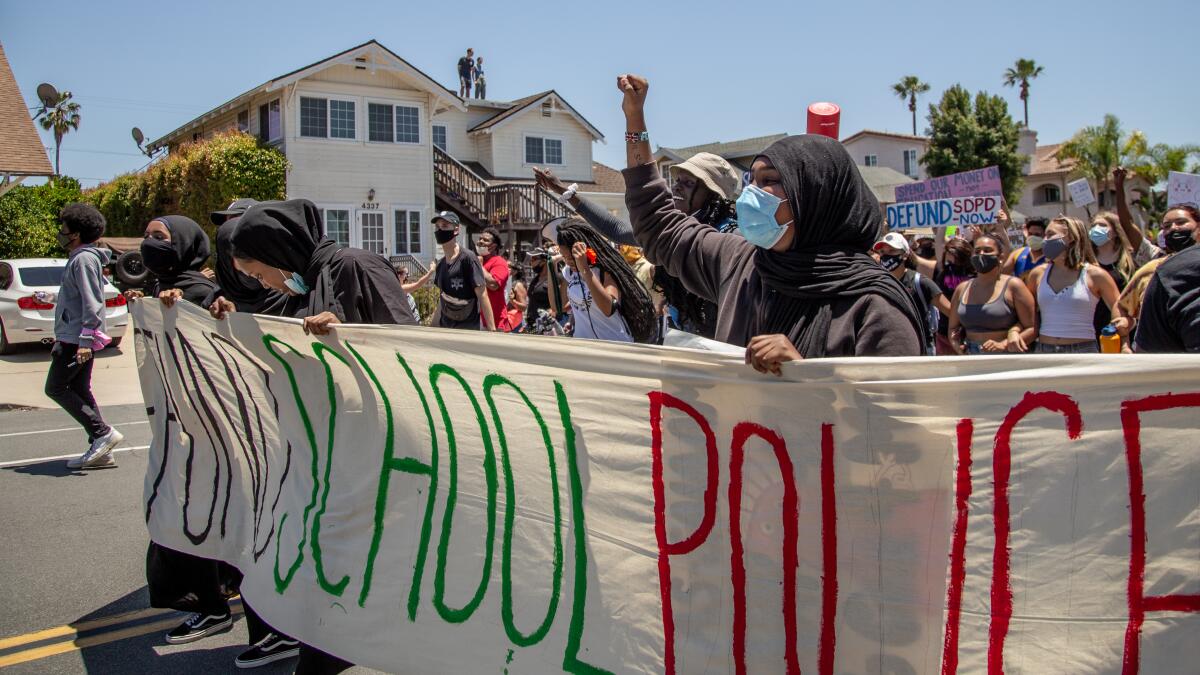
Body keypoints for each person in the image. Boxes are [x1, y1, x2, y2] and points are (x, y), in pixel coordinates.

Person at [618, 74, 924, 373]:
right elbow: (658, 224)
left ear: (813, 198)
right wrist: (635, 122)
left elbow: (892, 416)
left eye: (770, 182)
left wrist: (805, 375)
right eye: (753, 181)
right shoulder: (740, 262)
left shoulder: (874, 308)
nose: (752, 193)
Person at [231, 199, 418, 334]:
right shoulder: (305, 287)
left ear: (276, 256)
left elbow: (408, 342)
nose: (264, 285)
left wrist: (344, 335)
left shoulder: (358, 266)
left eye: (259, 276)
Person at [47, 203, 123, 470]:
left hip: (77, 339)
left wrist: (85, 341)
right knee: (79, 389)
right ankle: (101, 448)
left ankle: (102, 433)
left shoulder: (83, 259)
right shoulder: (82, 258)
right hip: (73, 336)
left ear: (75, 233)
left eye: (64, 228)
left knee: (55, 387)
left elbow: (93, 302)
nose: (61, 232)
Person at [545, 216, 655, 343]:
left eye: (571, 257)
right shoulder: (569, 272)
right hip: (583, 345)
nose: (568, 262)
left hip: (613, 343)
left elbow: (608, 308)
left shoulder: (605, 270)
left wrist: (584, 268)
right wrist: (551, 266)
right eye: (564, 257)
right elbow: (558, 307)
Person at [1026, 216, 1123, 353]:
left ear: (1071, 237)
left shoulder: (1095, 275)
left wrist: (1119, 329)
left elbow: (1119, 307)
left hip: (1083, 351)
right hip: (1044, 351)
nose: (1045, 240)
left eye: (1050, 234)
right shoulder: (1037, 274)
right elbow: (1027, 313)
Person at [1118, 204, 1199, 343]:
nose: (1174, 228)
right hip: (1166, 356)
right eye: (1167, 226)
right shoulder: (1155, 267)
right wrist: (1124, 343)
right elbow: (1122, 307)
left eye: (1181, 222)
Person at [947, 235, 1037, 354]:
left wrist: (1003, 345)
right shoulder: (962, 289)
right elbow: (953, 328)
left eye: (988, 250)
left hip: (1006, 357)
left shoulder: (1014, 286)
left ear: (1000, 257)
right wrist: (956, 345)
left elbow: (1032, 328)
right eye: (977, 251)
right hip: (970, 356)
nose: (982, 254)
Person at [872, 232, 950, 355]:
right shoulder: (879, 283)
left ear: (905, 254)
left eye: (891, 251)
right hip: (891, 350)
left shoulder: (921, 282)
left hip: (921, 350)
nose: (886, 256)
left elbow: (950, 311)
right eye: (882, 252)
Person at [124, 216, 218, 308]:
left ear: (183, 243)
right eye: (146, 236)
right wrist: (143, 303)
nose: (148, 242)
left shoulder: (205, 291)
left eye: (159, 237)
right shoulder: (160, 285)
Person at [429, 211, 495, 331]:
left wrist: (492, 331)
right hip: (446, 331)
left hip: (467, 331)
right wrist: (432, 328)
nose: (439, 230)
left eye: (444, 226)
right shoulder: (440, 265)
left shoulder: (468, 258)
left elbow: (483, 295)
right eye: (437, 227)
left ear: (456, 230)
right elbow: (442, 300)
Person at [1088, 211, 1136, 338]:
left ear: (1115, 232)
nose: (1096, 229)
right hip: (1091, 329)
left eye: (1103, 225)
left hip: (1123, 327)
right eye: (1093, 226)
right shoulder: (1086, 261)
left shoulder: (1130, 261)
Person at [523, 245, 568, 333]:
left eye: (534, 259)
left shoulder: (558, 278)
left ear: (544, 261)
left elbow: (562, 301)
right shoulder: (535, 280)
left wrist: (553, 311)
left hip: (549, 326)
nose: (530, 262)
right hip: (533, 326)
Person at [476, 226, 511, 331]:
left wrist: (479, 266)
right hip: (477, 320)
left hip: (495, 323)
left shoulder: (499, 262)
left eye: (486, 240)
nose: (481, 241)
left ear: (493, 246)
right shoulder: (477, 260)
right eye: (480, 239)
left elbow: (493, 285)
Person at [505, 262, 527, 332]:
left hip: (514, 321)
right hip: (512, 320)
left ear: (516, 271)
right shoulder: (513, 282)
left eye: (511, 268)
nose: (509, 269)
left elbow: (523, 307)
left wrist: (512, 301)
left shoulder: (519, 285)